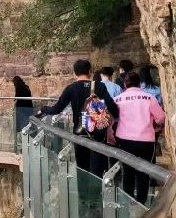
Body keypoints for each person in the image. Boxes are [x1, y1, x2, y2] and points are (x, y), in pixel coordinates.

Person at [40, 59, 119, 176]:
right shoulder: (99, 86)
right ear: (89, 71)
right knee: (97, 171)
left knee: (82, 170)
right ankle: (97, 193)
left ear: (74, 72)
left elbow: (56, 109)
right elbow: (113, 107)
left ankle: (84, 193)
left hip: (80, 133)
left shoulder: (71, 88)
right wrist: (113, 119)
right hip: (98, 134)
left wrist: (43, 109)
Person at [114, 72, 166, 204]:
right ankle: (141, 202)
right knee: (143, 172)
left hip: (124, 139)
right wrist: (156, 127)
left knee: (127, 171)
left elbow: (113, 118)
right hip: (145, 140)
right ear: (139, 84)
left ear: (125, 84)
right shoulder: (149, 98)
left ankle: (127, 199)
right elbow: (160, 117)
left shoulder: (118, 99)